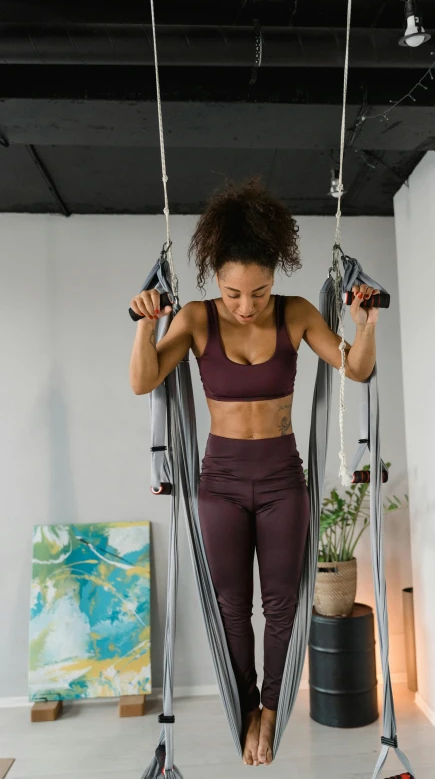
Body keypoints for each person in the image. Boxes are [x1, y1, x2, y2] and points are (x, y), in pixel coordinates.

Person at [129, 178, 379, 767]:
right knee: (229, 606)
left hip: (280, 479)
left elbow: (358, 370)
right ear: (215, 277)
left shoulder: (294, 315)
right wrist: (146, 321)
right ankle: (242, 709)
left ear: (277, 277)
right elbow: (143, 380)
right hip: (217, 481)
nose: (246, 305)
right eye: (234, 291)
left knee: (282, 605)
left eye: (260, 292)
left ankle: (271, 708)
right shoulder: (193, 319)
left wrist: (364, 318)